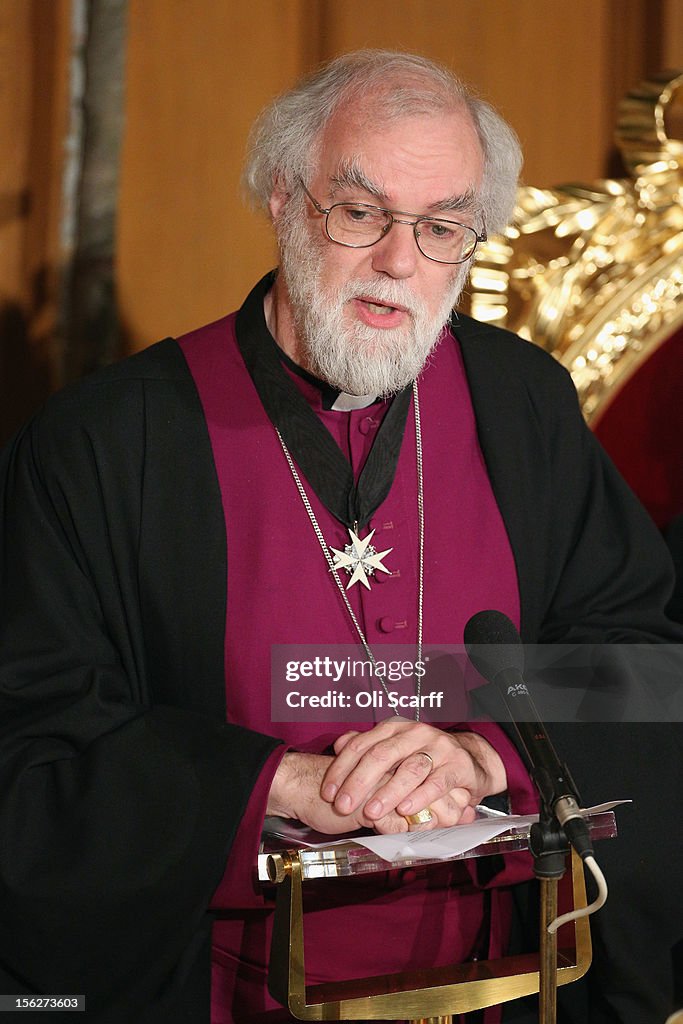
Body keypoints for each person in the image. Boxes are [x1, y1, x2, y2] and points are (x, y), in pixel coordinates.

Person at [0, 50, 681, 1024]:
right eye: (360, 213)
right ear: (285, 199)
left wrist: (491, 755)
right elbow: (33, 745)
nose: (399, 262)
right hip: (222, 991)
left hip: (509, 984)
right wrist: (276, 784)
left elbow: (641, 664)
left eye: (441, 226)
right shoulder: (108, 443)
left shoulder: (522, 404)